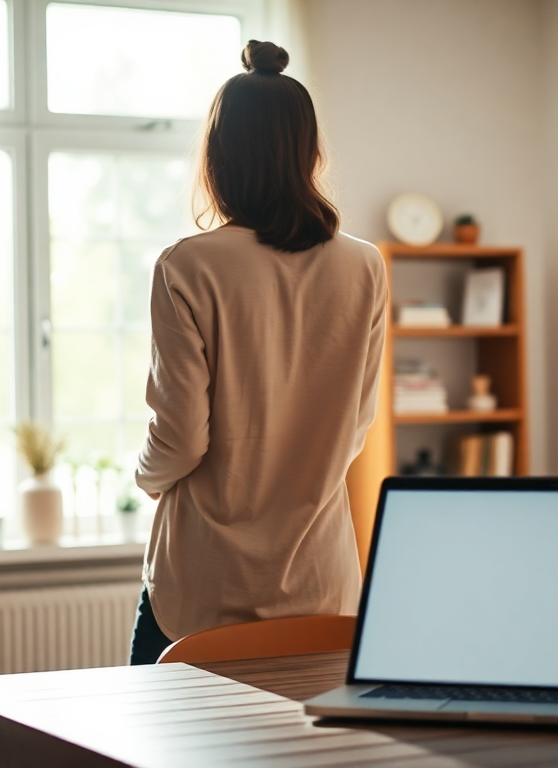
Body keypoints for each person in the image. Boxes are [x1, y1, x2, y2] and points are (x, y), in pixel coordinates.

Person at [129, 40, 387, 665]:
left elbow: (182, 438)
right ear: (309, 152)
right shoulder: (364, 265)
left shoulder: (188, 265)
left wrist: (145, 476)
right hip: (321, 585)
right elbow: (355, 425)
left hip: (204, 589)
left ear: (218, 158)